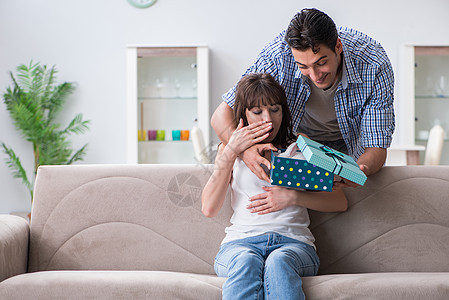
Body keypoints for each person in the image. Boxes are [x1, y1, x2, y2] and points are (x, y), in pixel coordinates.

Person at [202, 73, 348, 300]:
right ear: (244, 114)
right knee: (246, 260)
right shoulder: (230, 152)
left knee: (279, 261)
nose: (267, 119)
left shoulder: (300, 148)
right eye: (257, 112)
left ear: (284, 110)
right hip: (240, 244)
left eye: (275, 109)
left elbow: (340, 201)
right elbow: (208, 208)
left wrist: (292, 197)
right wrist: (232, 149)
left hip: (293, 245)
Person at [211, 8, 395, 187]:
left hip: (351, 150)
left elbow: (376, 146)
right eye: (303, 66)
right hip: (296, 143)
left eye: (321, 63)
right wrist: (245, 151)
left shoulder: (374, 63)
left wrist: (361, 170)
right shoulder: (278, 56)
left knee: (345, 202)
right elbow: (221, 116)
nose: (315, 75)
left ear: (338, 46)